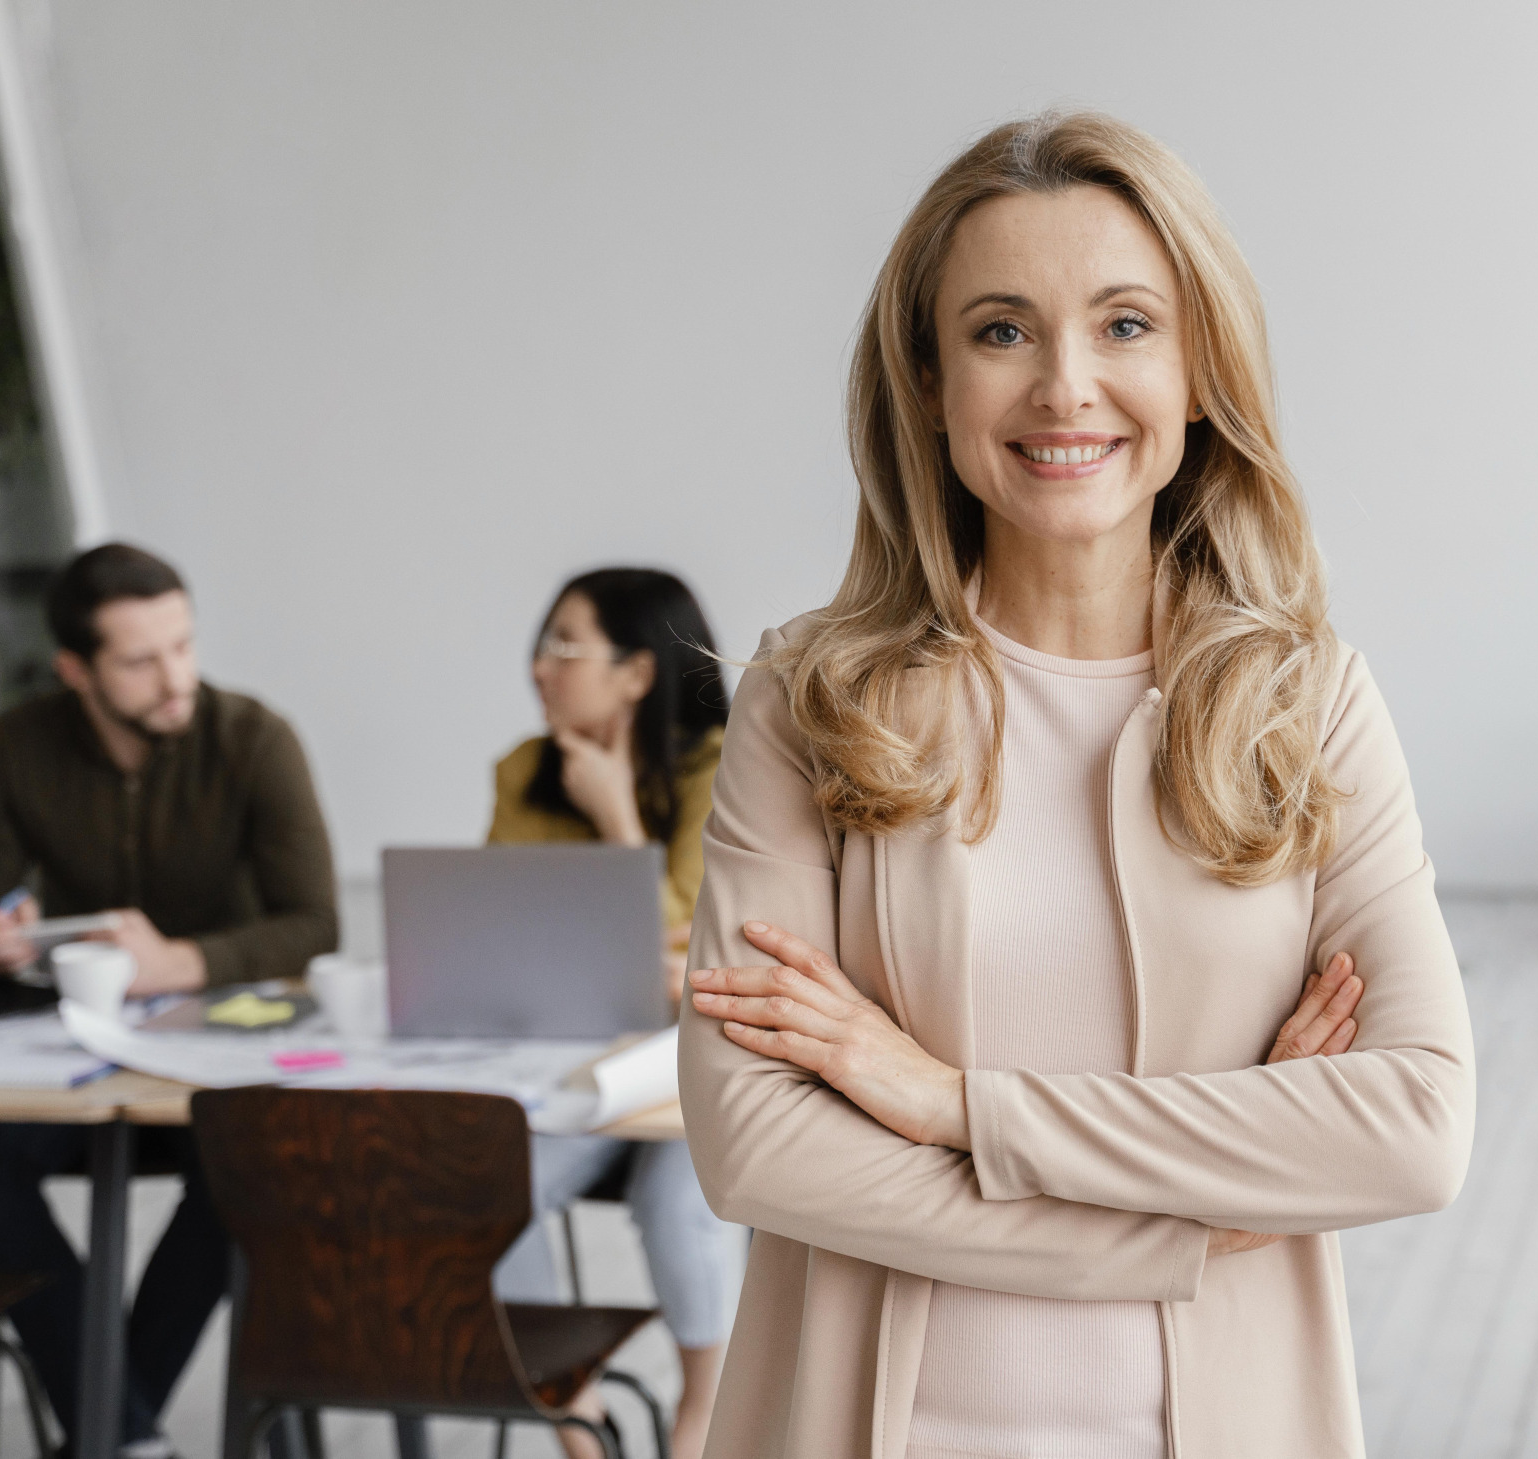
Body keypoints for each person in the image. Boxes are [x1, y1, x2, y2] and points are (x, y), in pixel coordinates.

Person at [678, 112, 1474, 1459]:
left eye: (1124, 325)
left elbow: (1410, 1126)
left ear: (1199, 368)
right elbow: (755, 1142)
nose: (1064, 387)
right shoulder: (810, 699)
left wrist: (952, 1102)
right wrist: (1204, 1208)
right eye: (1001, 330)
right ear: (929, 381)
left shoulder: (1310, 701)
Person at [0, 543, 338, 1458]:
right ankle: (123, 1434)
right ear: (76, 670)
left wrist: (183, 961)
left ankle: (109, 1431)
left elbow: (315, 922)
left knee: (239, 1169)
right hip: (84, 1051)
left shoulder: (253, 739)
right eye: (141, 659)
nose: (175, 678)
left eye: (183, 647)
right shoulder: (16, 745)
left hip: (222, 1054)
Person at [488, 567, 735, 1459]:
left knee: (685, 1196)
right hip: (572, 1063)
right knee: (487, 1183)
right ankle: (576, 1420)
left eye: (565, 645)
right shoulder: (525, 771)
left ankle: (702, 1416)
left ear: (636, 673)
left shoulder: (729, 765)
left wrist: (617, 814)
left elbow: (696, 938)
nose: (539, 667)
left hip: (696, 1062)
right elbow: (498, 927)